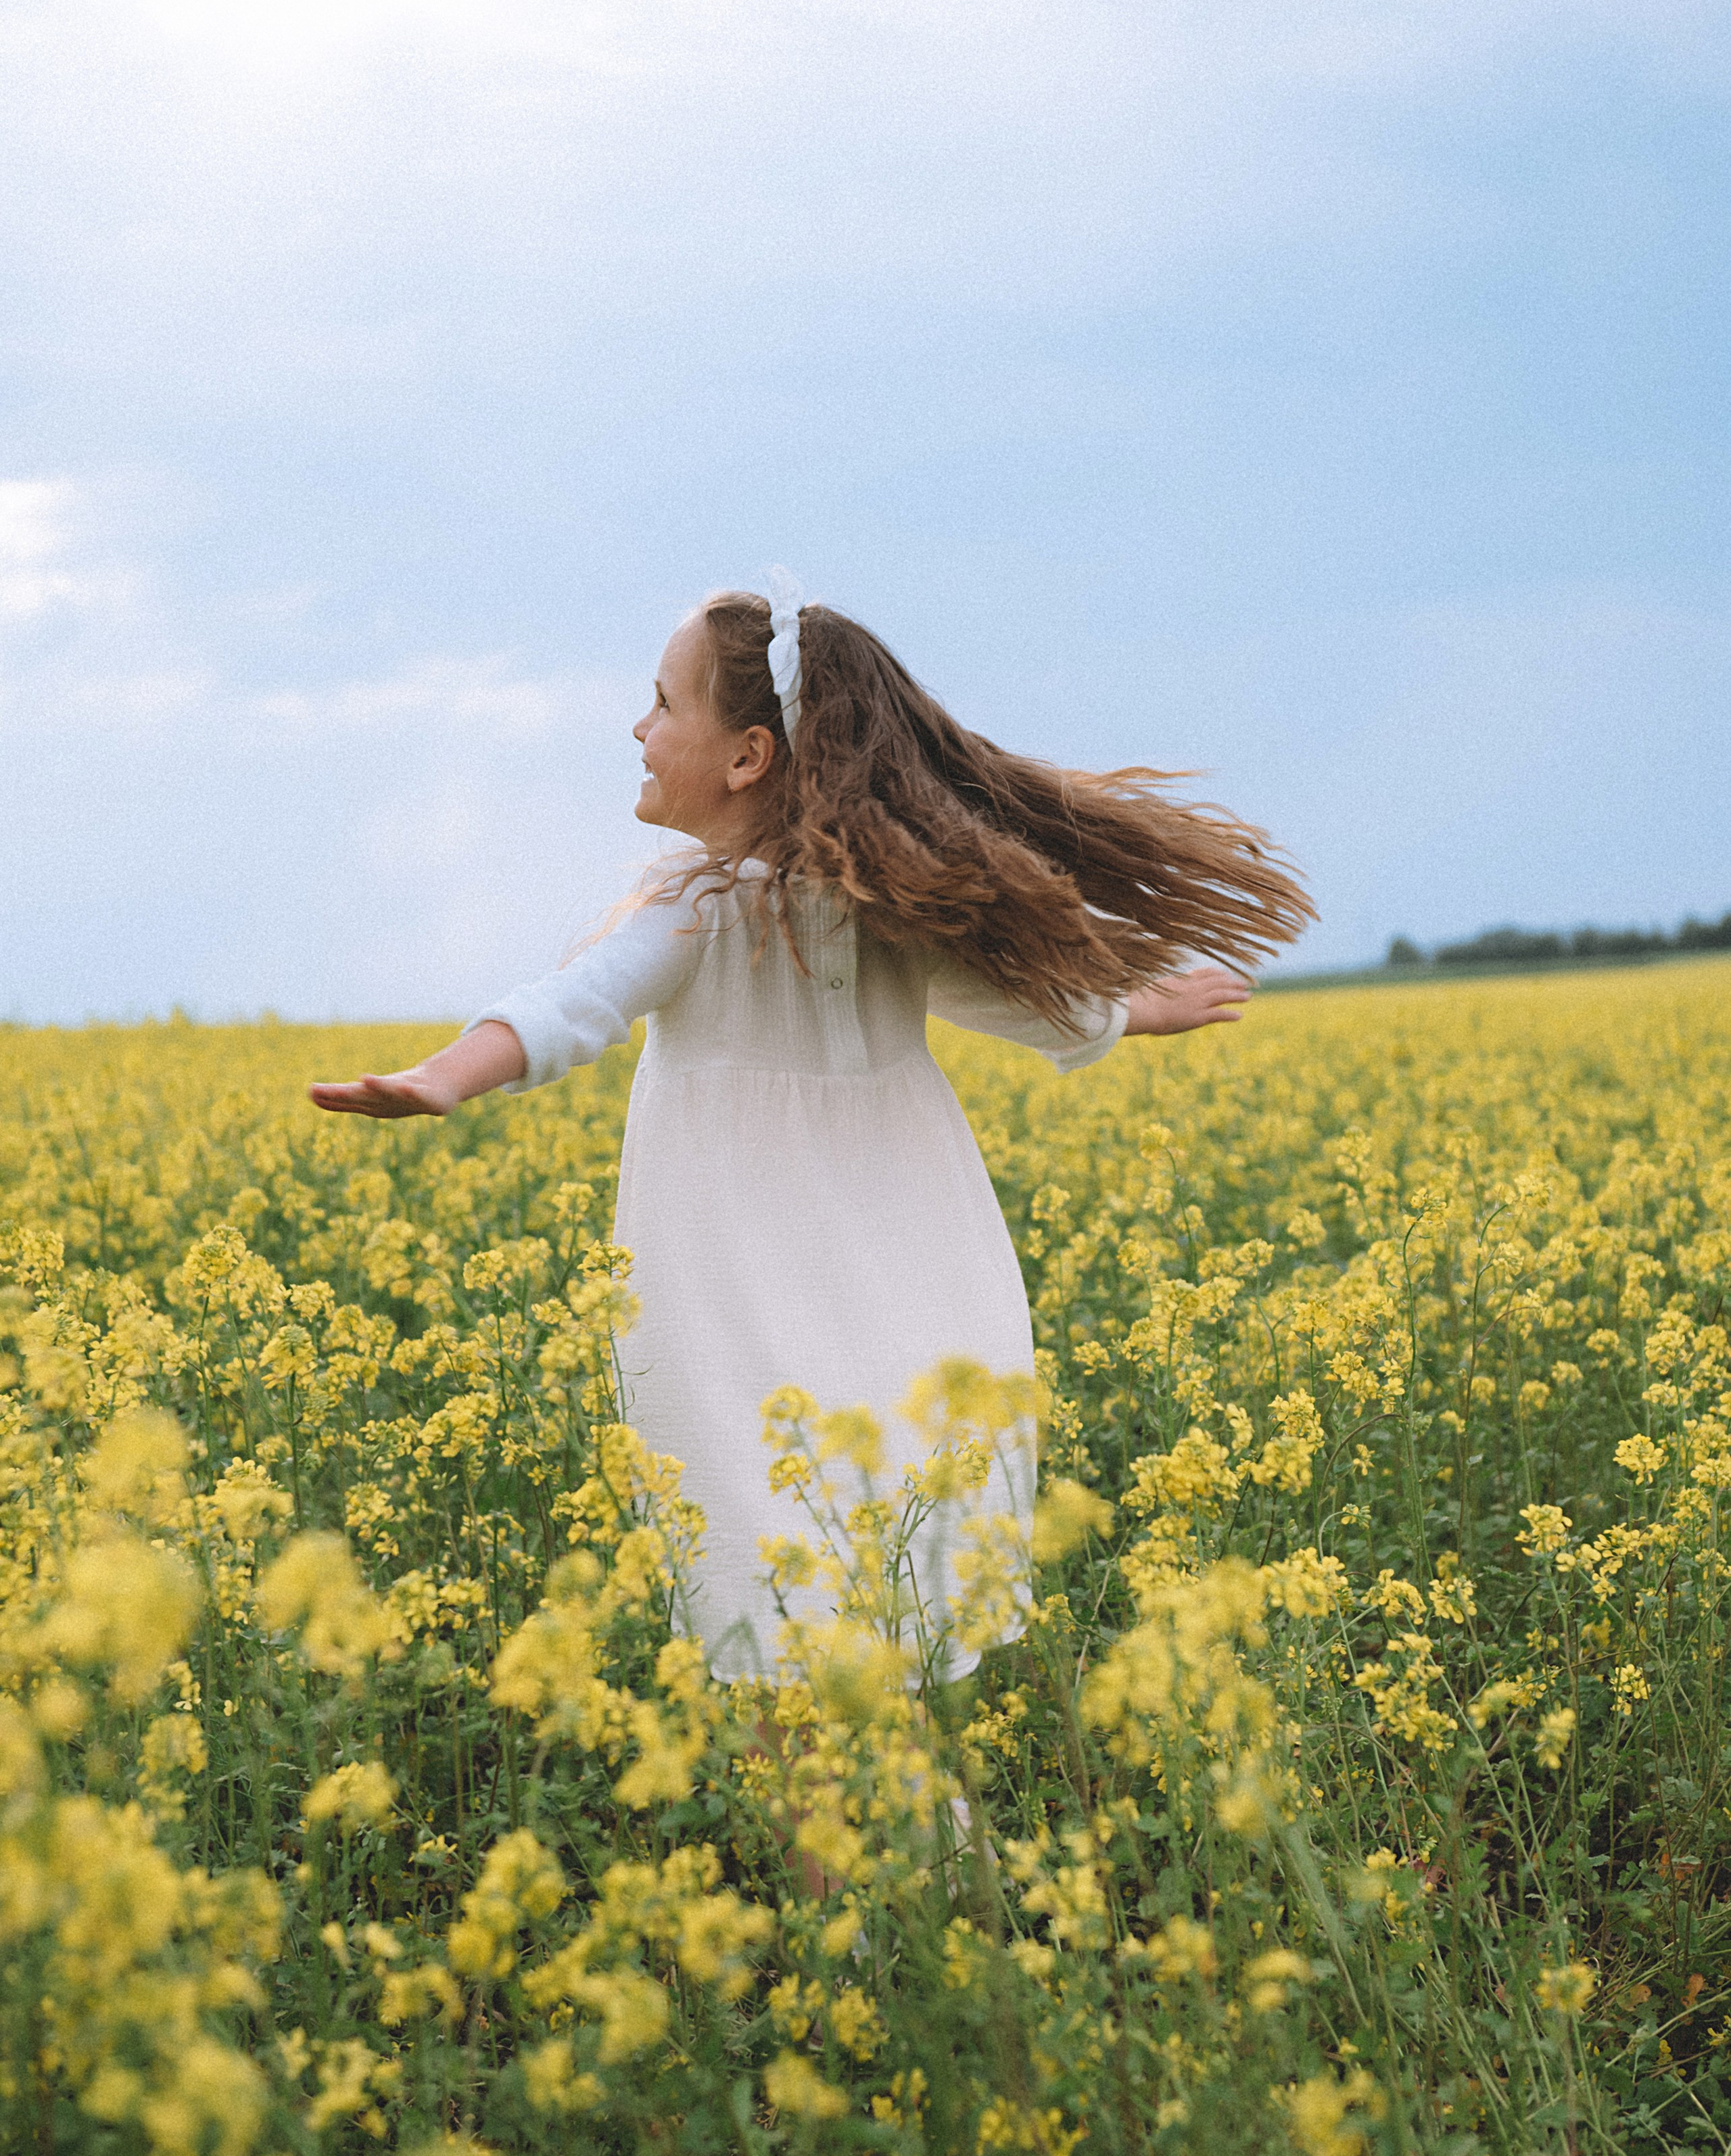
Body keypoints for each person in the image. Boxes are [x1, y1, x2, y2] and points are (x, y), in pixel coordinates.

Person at [310, 580, 1311, 1679]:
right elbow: (579, 1002)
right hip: (802, 1279)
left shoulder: (840, 905)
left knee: (820, 1601)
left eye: (660, 704)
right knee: (828, 1587)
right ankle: (910, 1840)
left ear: (746, 756)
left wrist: (1127, 1008)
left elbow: (986, 989)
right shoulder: (722, 908)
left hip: (837, 1275)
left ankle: (899, 1843)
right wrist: (451, 1075)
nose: (638, 728)